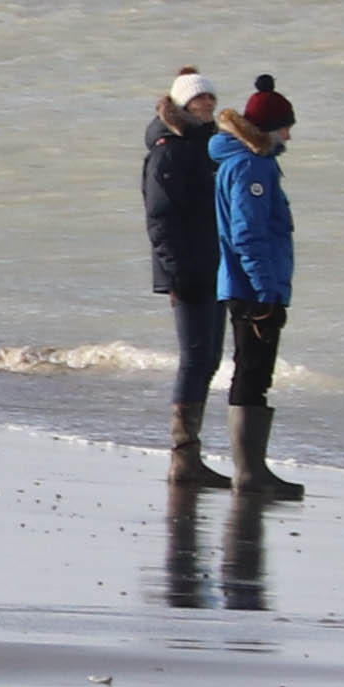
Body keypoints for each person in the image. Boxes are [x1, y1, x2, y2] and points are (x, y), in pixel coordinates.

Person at [211, 76, 303, 502]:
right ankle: (250, 473)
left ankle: (251, 468)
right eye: (284, 127)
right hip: (254, 290)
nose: (288, 135)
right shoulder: (252, 165)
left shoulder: (246, 160)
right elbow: (247, 235)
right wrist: (266, 292)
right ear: (266, 129)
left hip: (248, 286)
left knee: (252, 370)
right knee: (253, 373)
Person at [140, 66, 230, 484]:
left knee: (210, 357)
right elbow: (160, 218)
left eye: (210, 98)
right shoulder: (169, 149)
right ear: (182, 104)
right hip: (188, 269)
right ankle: (183, 456)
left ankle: (191, 452)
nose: (207, 104)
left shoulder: (206, 145)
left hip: (215, 264)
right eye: (199, 99)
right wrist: (176, 273)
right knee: (195, 358)